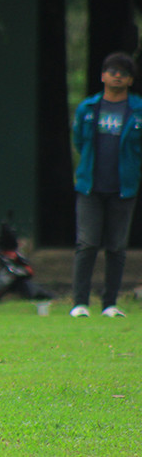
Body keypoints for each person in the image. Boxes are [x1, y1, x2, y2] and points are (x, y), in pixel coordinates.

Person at [69, 51, 142, 318]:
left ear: (130, 80)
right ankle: (80, 303)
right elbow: (79, 141)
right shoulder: (88, 108)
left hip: (123, 188)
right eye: (113, 71)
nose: (117, 76)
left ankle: (109, 304)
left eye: (123, 72)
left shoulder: (138, 110)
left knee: (116, 247)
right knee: (86, 244)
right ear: (103, 76)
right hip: (90, 186)